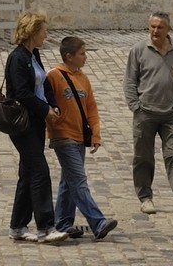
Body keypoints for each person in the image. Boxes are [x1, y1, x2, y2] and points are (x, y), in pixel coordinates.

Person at [123, 10, 173, 217]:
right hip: (145, 113)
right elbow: (130, 81)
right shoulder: (138, 50)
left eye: (160, 27)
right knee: (143, 157)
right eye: (152, 27)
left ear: (168, 29)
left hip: (171, 114)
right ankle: (145, 198)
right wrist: (135, 106)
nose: (155, 31)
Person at [3, 11, 71, 244]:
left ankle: (17, 226)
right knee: (40, 172)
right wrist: (44, 110)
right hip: (22, 125)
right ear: (33, 32)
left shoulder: (34, 55)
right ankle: (46, 227)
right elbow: (22, 93)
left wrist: (52, 105)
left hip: (36, 123)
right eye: (43, 31)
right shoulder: (17, 59)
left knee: (28, 174)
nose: (46, 35)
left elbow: (44, 84)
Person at [46, 36, 118, 241]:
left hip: (79, 136)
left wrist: (95, 134)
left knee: (68, 182)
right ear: (69, 56)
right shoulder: (53, 76)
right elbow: (45, 101)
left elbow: (91, 108)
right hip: (62, 137)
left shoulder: (83, 78)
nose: (85, 57)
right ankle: (98, 222)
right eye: (82, 53)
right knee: (78, 180)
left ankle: (63, 223)